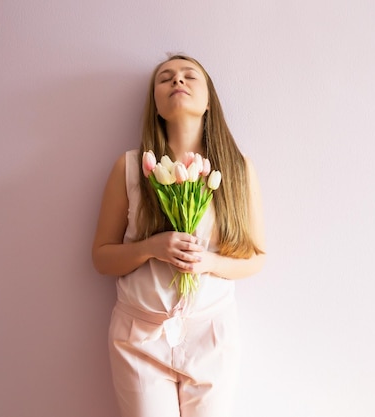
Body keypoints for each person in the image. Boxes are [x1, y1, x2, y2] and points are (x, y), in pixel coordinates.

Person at [92, 54, 265, 417]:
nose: (177, 82)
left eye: (190, 77)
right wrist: (152, 248)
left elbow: (255, 258)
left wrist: (208, 262)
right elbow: (102, 257)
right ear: (155, 103)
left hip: (211, 337)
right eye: (165, 78)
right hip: (140, 337)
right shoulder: (130, 167)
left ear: (208, 101)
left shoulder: (236, 168)